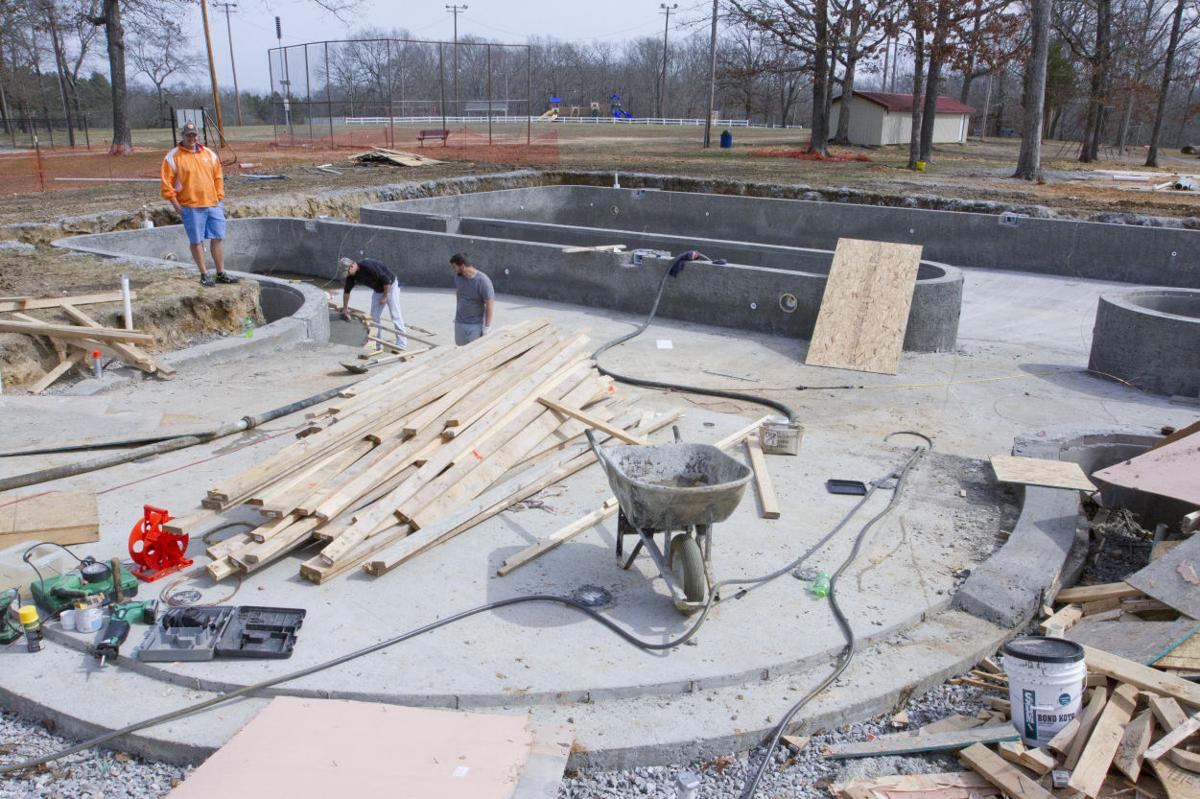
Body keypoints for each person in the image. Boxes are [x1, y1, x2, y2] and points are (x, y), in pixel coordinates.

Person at [160, 121, 238, 288]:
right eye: (188, 135)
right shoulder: (173, 157)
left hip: (213, 204)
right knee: (197, 241)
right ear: (183, 136)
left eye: (194, 134)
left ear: (198, 135)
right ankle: (203, 274)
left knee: (218, 237)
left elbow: (218, 176)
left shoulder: (209, 154)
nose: (192, 138)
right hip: (191, 206)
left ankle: (220, 273)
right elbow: (166, 183)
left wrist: (219, 196)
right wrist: (175, 203)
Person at [338, 256, 407, 349]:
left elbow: (387, 281)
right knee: (374, 317)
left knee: (395, 315)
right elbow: (347, 292)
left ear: (352, 266)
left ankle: (402, 343)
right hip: (378, 289)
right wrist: (345, 308)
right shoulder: (351, 275)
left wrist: (385, 297)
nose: (348, 274)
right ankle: (378, 344)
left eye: (348, 272)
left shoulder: (368, 266)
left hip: (391, 286)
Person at [450, 253, 495, 346]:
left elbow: (489, 304)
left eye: (455, 267)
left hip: (475, 326)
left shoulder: (483, 281)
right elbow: (459, 294)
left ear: (462, 266)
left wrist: (487, 327)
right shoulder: (458, 277)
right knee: (460, 351)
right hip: (460, 323)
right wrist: (457, 313)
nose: (454, 270)